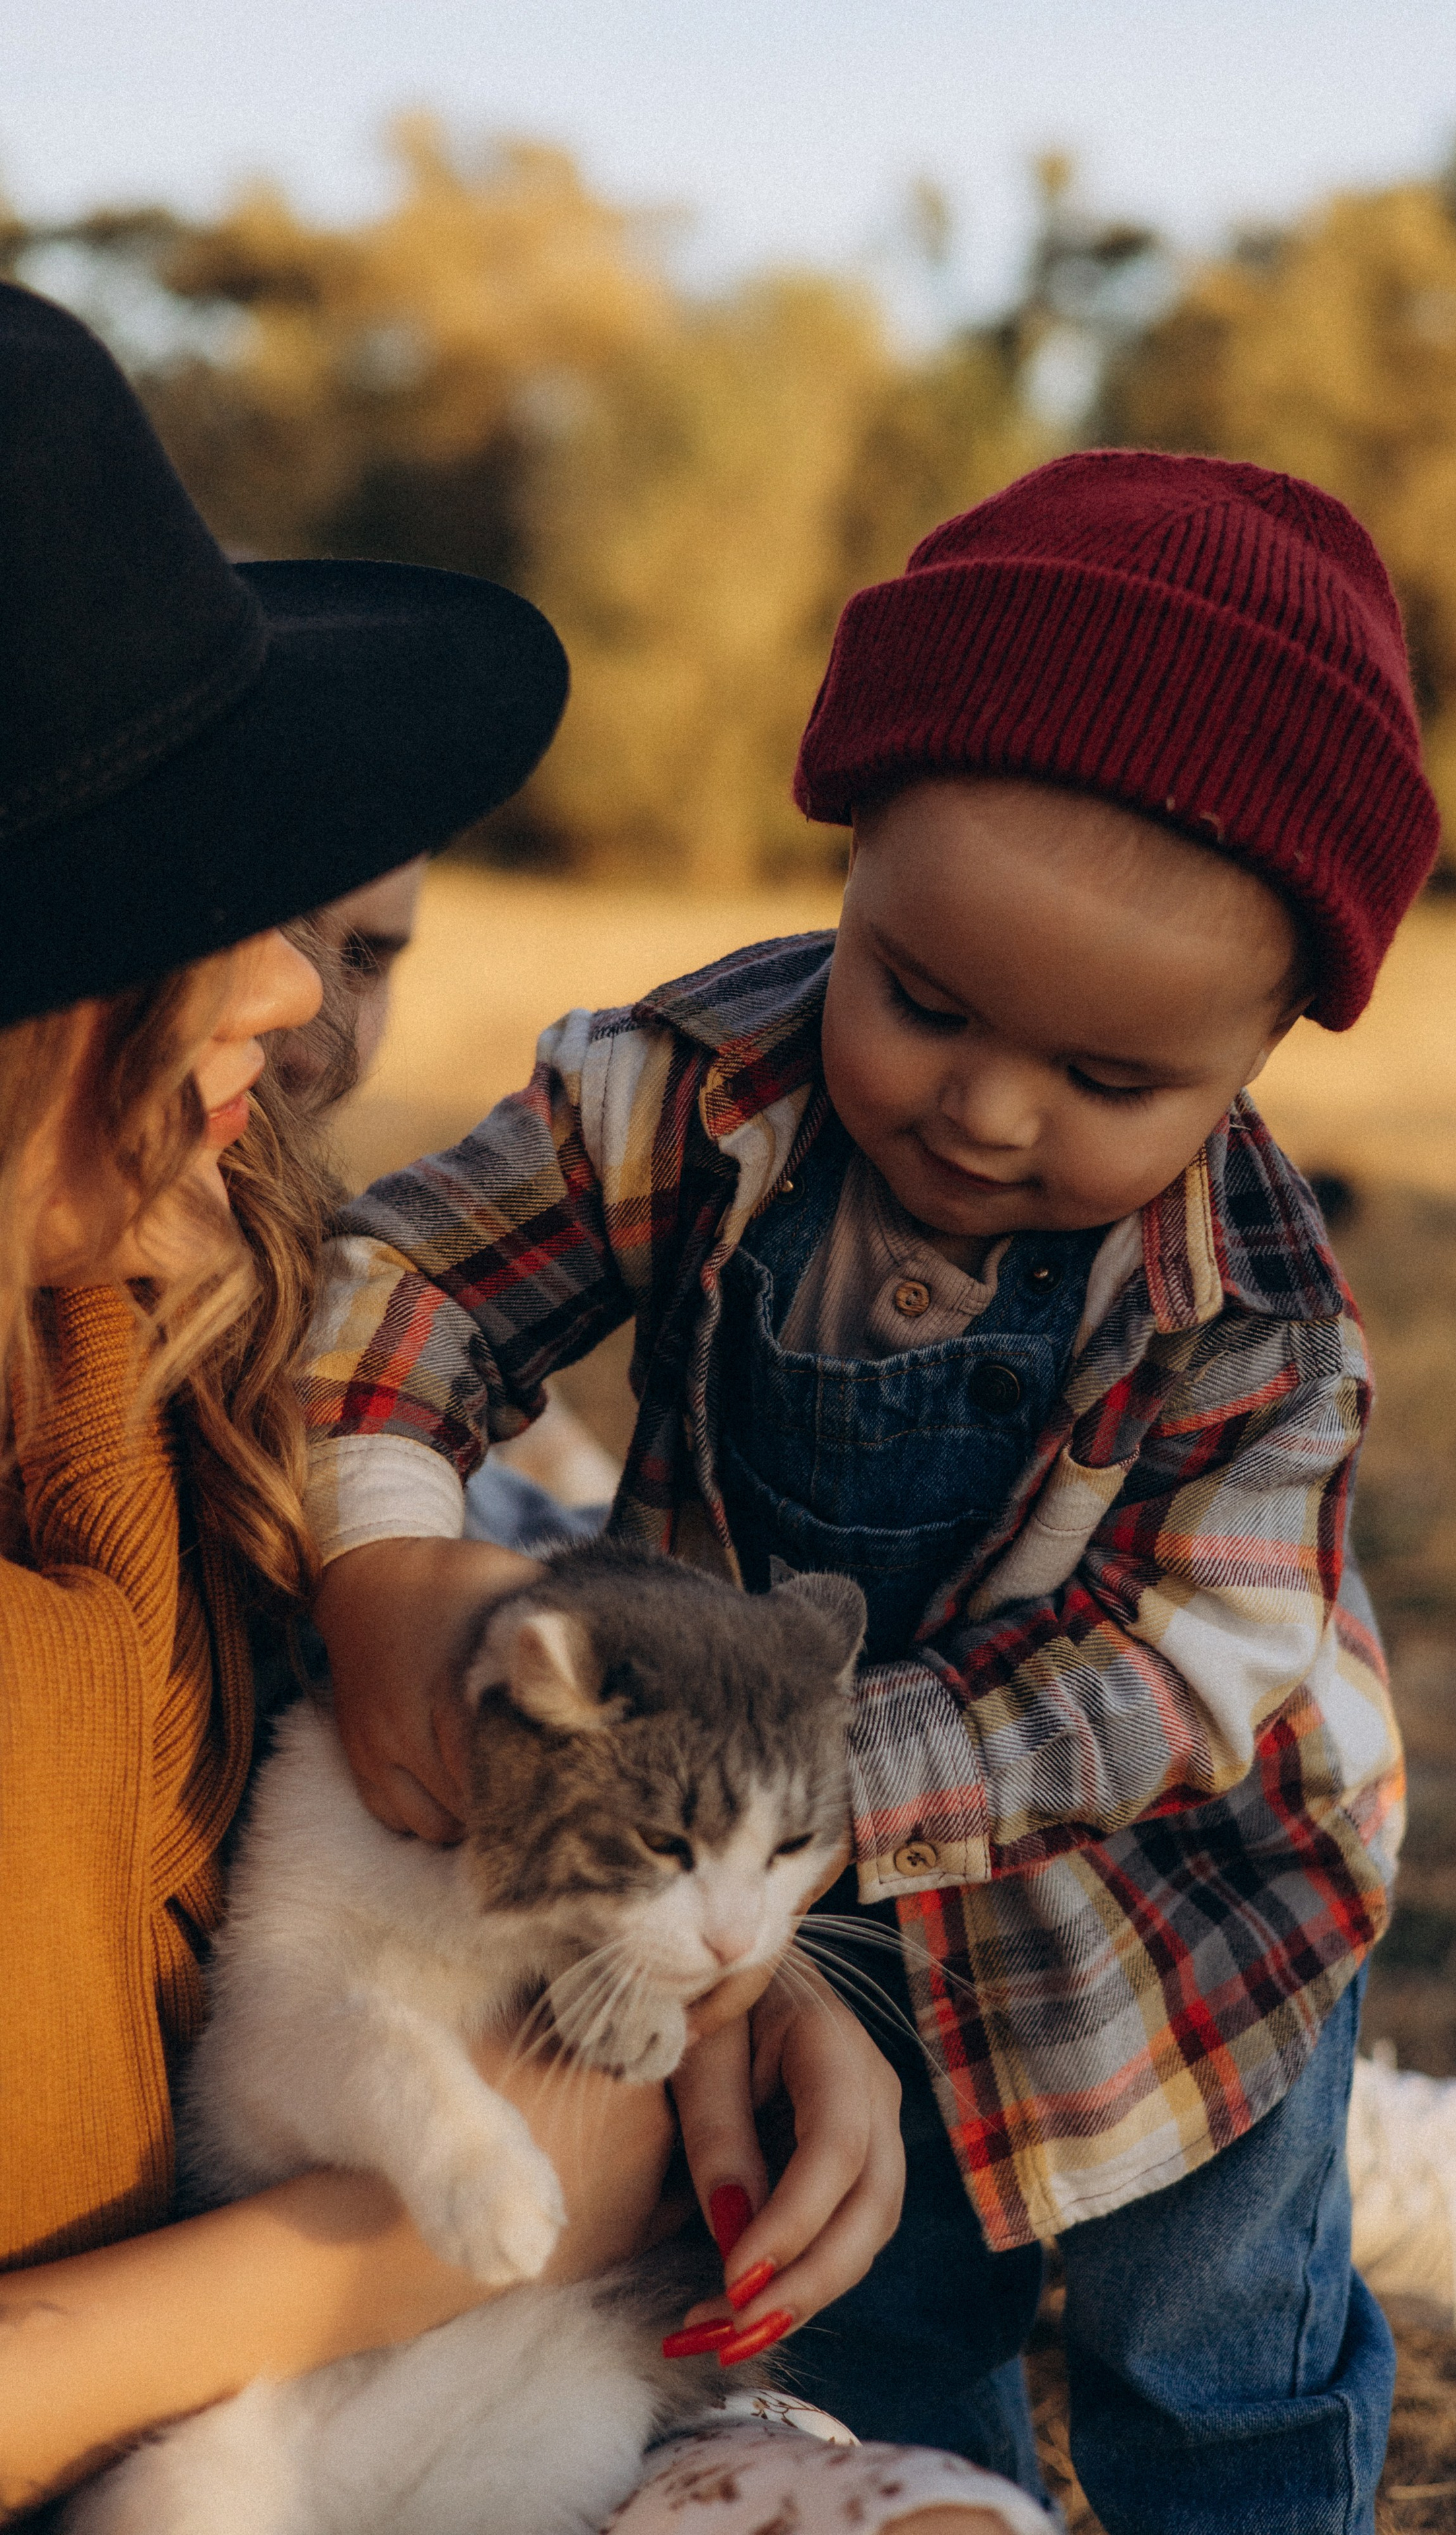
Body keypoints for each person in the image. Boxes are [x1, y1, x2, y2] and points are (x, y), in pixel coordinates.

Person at [298, 452, 1443, 2534]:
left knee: (1210, 2358)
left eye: (1115, 1085)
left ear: (1264, 1048)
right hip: (796, 1899)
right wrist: (383, 1534)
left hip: (1177, 1922)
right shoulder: (688, 1090)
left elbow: (1168, 1682)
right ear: (849, 865)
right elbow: (410, 1276)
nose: (989, 1112)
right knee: (872, 2309)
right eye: (921, 1000)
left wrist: (792, 1780)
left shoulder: (1253, 1322)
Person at [0, 281, 1045, 2535]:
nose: (295, 992)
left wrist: (735, 2002)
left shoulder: (153, 1335)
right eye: (200, 907)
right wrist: (497, 2199)